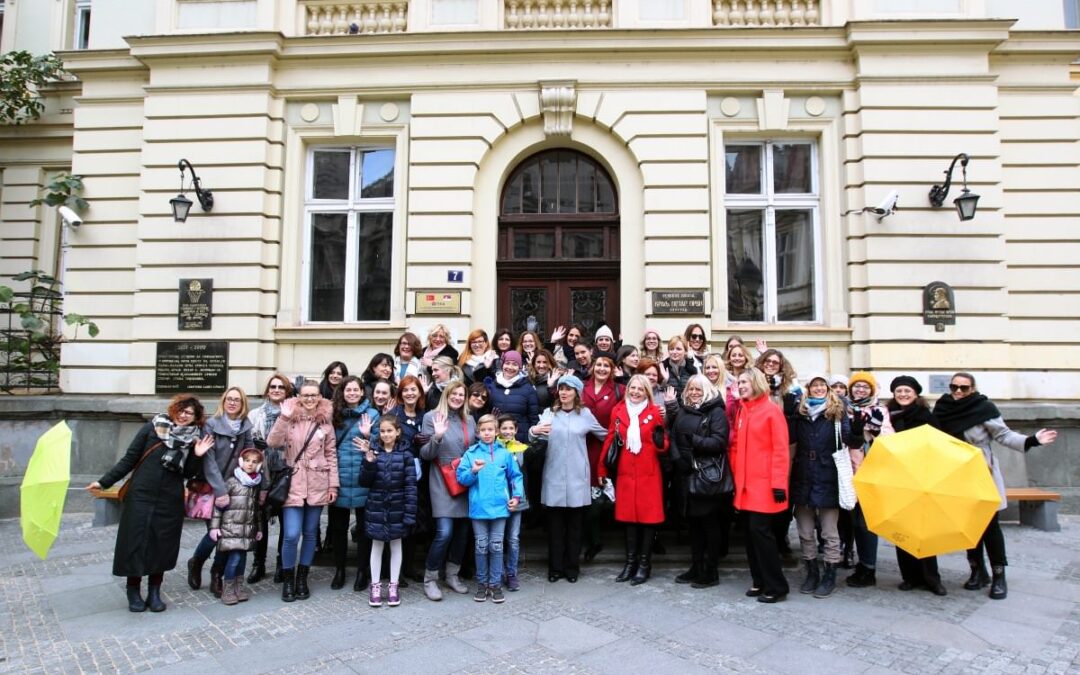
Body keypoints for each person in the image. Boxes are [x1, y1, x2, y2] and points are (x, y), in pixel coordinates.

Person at [933, 371, 1058, 600]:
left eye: (964, 387)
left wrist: (1032, 440)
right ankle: (977, 572)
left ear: (973, 389)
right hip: (955, 476)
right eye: (954, 387)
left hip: (982, 473)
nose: (958, 391)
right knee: (968, 527)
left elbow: (1004, 435)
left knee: (990, 527)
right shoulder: (942, 408)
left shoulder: (983, 408)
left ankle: (999, 576)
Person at [88, 395, 212, 612]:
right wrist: (104, 482)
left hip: (170, 498)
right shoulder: (153, 428)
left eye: (189, 413)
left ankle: (155, 591)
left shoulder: (195, 439)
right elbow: (130, 459)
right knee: (135, 541)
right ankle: (133, 590)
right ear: (174, 409)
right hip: (141, 495)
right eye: (181, 410)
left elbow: (190, 473)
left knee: (162, 543)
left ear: (196, 417)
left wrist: (198, 455)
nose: (183, 415)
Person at [266, 380, 338, 602]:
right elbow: (272, 441)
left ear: (319, 397)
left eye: (313, 395)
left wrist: (333, 484)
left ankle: (302, 577)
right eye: (305, 395)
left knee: (309, 534)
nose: (309, 399)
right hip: (294, 483)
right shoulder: (289, 418)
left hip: (317, 482)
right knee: (290, 535)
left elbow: (331, 454)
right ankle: (288, 577)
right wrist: (284, 417)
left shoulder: (326, 423)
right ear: (298, 396)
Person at [531, 374, 606, 583]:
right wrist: (533, 430)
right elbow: (534, 436)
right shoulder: (549, 413)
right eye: (561, 389)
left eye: (568, 389)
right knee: (555, 528)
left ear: (576, 393)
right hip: (554, 476)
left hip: (577, 477)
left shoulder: (586, 415)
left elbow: (605, 435)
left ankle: (572, 568)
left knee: (575, 528)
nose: (563, 393)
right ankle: (555, 568)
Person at [789, 374, 856, 598]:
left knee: (829, 532)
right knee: (805, 531)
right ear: (808, 390)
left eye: (822, 386)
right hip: (803, 476)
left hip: (828, 475)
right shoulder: (801, 413)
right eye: (814, 386)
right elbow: (791, 440)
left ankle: (830, 573)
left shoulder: (837, 413)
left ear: (828, 389)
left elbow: (848, 438)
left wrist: (857, 430)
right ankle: (811, 572)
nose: (818, 389)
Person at [597, 374, 667, 585]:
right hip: (626, 473)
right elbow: (610, 438)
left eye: (640, 389)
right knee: (629, 520)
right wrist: (601, 468)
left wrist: (660, 441)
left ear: (647, 392)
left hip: (649, 474)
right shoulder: (618, 411)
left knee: (647, 521)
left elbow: (664, 443)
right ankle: (630, 563)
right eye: (632, 388)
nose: (635, 392)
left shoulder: (654, 412)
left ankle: (644, 565)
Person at [731, 367, 791, 603]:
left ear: (755, 383)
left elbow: (780, 450)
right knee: (750, 535)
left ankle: (777, 585)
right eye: (739, 382)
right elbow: (736, 447)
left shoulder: (771, 411)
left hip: (764, 487)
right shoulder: (744, 411)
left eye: (744, 382)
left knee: (762, 535)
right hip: (746, 486)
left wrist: (778, 483)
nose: (741, 385)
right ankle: (759, 580)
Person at [190, 387, 256, 599]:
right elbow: (208, 461)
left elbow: (251, 454)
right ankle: (197, 561)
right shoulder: (212, 424)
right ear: (223, 401)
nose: (232, 403)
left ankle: (217, 574)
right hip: (214, 486)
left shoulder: (246, 426)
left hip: (236, 488)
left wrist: (254, 482)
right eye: (229, 399)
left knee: (226, 535)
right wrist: (220, 490)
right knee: (215, 534)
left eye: (237, 400)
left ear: (243, 403)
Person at [667, 374, 730, 589]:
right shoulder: (684, 410)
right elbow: (674, 436)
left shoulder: (716, 412)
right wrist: (677, 458)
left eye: (698, 389)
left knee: (709, 525)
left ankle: (710, 570)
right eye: (691, 389)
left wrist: (695, 441)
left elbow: (719, 442)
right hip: (685, 474)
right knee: (694, 526)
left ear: (707, 391)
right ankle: (696, 566)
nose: (694, 393)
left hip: (706, 476)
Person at [885, 375, 946, 596]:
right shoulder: (888, 416)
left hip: (922, 478)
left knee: (924, 531)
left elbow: (938, 446)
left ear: (915, 394)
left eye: (907, 391)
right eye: (899, 391)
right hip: (898, 479)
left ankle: (931, 577)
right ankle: (909, 576)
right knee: (902, 530)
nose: (902, 394)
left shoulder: (925, 416)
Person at [457, 414, 524, 603]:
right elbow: (461, 478)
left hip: (500, 508)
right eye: (483, 430)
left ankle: (495, 584)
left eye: (491, 430)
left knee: (496, 546)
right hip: (479, 507)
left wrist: (516, 497)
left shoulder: (505, 453)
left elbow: (516, 477)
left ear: (496, 432)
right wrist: (473, 471)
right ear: (478, 433)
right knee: (481, 546)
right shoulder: (471, 453)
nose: (487, 433)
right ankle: (482, 583)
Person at [419, 380, 476, 600]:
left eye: (462, 394)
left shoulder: (469, 419)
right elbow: (425, 453)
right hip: (441, 480)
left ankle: (452, 575)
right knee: (444, 531)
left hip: (465, 479)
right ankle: (430, 578)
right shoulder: (430, 417)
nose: (458, 398)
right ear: (446, 395)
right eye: (454, 394)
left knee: (462, 532)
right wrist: (438, 436)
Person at [358, 416, 418, 607]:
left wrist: (410, 513)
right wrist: (369, 462)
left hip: (398, 507)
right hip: (376, 506)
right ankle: (375, 585)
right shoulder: (373, 451)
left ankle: (393, 584)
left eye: (389, 431)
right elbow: (364, 482)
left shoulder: (407, 455)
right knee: (376, 545)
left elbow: (410, 487)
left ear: (397, 432)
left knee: (396, 545)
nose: (386, 435)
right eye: (382, 431)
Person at [329, 375, 379, 592]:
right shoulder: (334, 415)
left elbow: (382, 444)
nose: (351, 393)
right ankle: (339, 569)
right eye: (347, 390)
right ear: (343, 392)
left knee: (365, 529)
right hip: (338, 477)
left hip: (363, 478)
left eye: (355, 390)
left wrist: (369, 438)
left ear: (361, 392)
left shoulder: (373, 414)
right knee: (337, 529)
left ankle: (362, 570)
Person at [844, 371, 890, 587]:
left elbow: (890, 440)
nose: (860, 390)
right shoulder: (845, 408)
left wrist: (877, 429)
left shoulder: (879, 410)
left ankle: (868, 568)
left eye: (865, 387)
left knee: (866, 523)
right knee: (854, 522)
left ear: (872, 390)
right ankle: (861, 564)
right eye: (856, 386)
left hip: (871, 473)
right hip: (848, 472)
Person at [247, 373, 292, 584]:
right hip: (262, 473)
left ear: (287, 391)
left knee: (286, 521)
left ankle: (282, 564)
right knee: (260, 522)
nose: (276, 390)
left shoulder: (293, 413)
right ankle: (259, 563)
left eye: (281, 387)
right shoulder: (255, 414)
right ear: (267, 390)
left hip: (285, 472)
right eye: (273, 387)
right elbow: (249, 444)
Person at [209, 447, 265, 605]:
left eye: (254, 462)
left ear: (259, 465)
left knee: (242, 560)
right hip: (231, 529)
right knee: (234, 559)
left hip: (247, 531)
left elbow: (257, 510)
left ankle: (238, 587)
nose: (250, 464)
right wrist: (214, 527)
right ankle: (228, 588)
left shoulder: (255, 485)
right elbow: (218, 505)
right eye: (247, 461)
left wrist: (259, 529)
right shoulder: (232, 482)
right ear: (241, 462)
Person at [581, 353, 622, 561]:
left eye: (606, 365)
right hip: (582, 448)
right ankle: (591, 539)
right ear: (592, 367)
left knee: (600, 495)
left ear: (612, 369)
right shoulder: (581, 388)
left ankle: (596, 539)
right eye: (599, 364)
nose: (602, 369)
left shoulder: (618, 390)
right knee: (584, 496)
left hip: (606, 449)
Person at [496, 415, 529, 591]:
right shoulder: (494, 447)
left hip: (517, 498)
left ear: (516, 430)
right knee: (499, 537)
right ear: (498, 430)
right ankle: (499, 571)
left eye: (511, 428)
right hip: (499, 498)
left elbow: (521, 470)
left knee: (513, 538)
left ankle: (511, 573)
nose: (508, 431)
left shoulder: (520, 448)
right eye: (504, 428)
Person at [484, 350, 539, 443]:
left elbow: (534, 418)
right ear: (502, 365)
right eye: (507, 363)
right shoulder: (493, 386)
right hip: (496, 440)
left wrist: (530, 440)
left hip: (520, 440)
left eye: (514, 364)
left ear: (520, 367)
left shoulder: (528, 389)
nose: (510, 367)